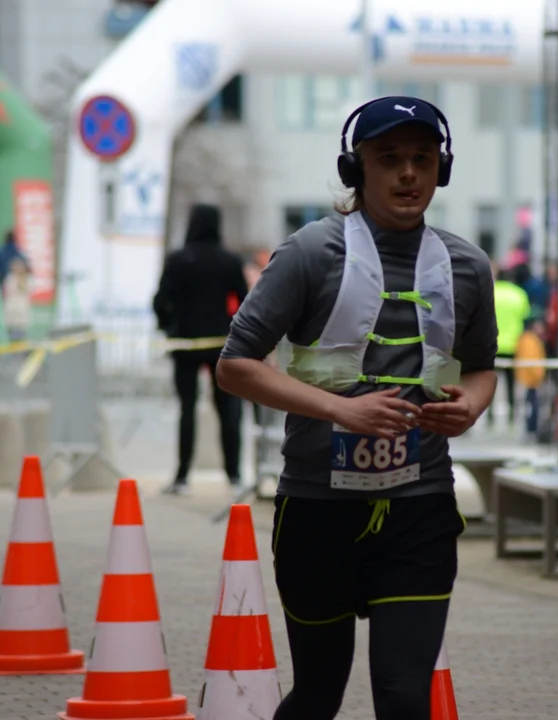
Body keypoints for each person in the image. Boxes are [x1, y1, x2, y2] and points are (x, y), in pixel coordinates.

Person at [215, 95, 498, 720]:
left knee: (403, 698)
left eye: (422, 160)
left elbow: (482, 368)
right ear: (356, 169)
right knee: (319, 694)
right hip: (318, 508)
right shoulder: (311, 253)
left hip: (419, 507)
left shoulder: (467, 266)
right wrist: (342, 411)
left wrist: (471, 404)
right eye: (389, 158)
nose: (407, 174)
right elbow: (234, 366)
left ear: (440, 171)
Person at [153, 203, 248, 497]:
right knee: (228, 411)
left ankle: (182, 476)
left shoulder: (178, 259)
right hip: (221, 344)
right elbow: (246, 302)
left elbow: (159, 301)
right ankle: (234, 476)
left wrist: (168, 326)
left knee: (187, 409)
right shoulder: (229, 261)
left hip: (184, 343)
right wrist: (232, 328)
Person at [490, 264, 530, 427]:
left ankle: (490, 414)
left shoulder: (491, 292)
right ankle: (512, 415)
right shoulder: (519, 294)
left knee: (490, 382)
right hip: (514, 345)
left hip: (492, 345)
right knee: (512, 384)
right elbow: (525, 316)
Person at [2, 258, 32, 340]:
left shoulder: (26, 278)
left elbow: (25, 290)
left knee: (20, 330)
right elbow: (7, 291)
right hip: (11, 307)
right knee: (11, 329)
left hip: (21, 308)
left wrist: (21, 280)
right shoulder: (10, 277)